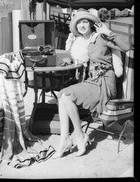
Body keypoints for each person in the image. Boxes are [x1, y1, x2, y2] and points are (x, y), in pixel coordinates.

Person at [52, 10, 131, 159]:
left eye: (85, 22)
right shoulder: (82, 42)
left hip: (104, 82)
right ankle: (64, 140)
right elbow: (76, 57)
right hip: (90, 81)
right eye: (79, 23)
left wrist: (108, 31)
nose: (82, 25)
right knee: (62, 94)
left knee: (67, 96)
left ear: (91, 24)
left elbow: (126, 47)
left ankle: (79, 135)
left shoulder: (101, 37)